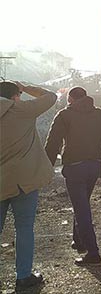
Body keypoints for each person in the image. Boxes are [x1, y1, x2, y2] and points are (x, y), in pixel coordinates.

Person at [44, 86, 101, 265]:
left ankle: (93, 253)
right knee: (81, 203)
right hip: (94, 167)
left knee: (81, 209)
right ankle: (78, 240)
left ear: (70, 99)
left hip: (74, 168)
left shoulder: (64, 115)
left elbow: (52, 144)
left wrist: (46, 168)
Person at [0, 81, 56, 289]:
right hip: (24, 182)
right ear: (16, 96)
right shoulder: (22, 109)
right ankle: (23, 276)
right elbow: (51, 96)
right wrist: (26, 87)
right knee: (24, 229)